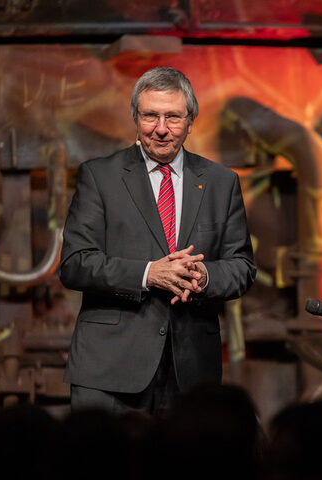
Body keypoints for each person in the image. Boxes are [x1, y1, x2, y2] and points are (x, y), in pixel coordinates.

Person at [60, 67, 256, 414]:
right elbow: (75, 264)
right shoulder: (99, 176)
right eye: (150, 115)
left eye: (173, 117)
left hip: (191, 373)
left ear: (190, 121)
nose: (161, 129)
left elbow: (242, 267)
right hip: (110, 369)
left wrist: (205, 276)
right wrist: (149, 274)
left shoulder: (220, 182)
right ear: (135, 117)